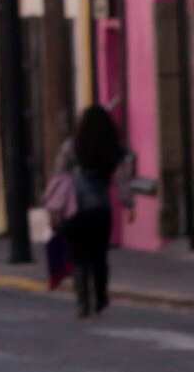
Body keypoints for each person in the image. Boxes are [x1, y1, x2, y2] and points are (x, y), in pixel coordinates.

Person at [48, 104, 134, 317]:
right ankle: (101, 297)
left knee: (78, 257)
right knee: (99, 256)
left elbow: (58, 175)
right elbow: (123, 181)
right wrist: (129, 204)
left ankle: (82, 301)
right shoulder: (113, 148)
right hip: (100, 210)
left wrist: (54, 209)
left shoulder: (72, 146)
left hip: (74, 210)